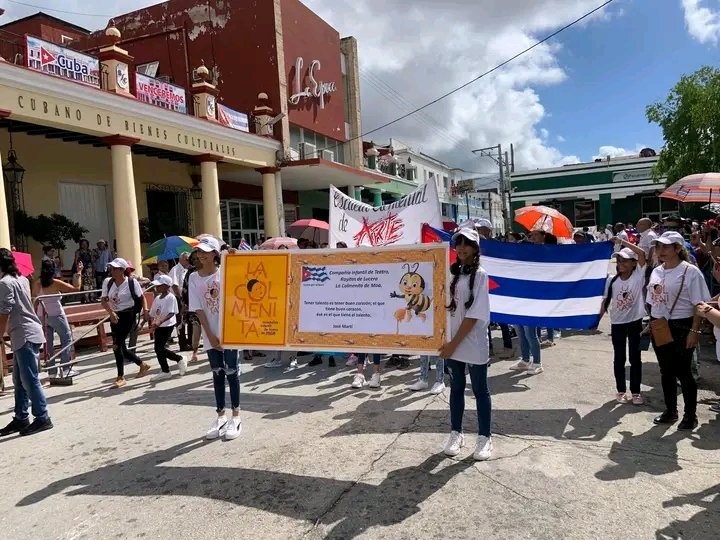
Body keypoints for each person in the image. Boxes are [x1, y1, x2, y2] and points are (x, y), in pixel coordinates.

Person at [438, 226, 493, 461]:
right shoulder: (451, 273)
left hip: (472, 341)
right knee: (457, 387)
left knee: (480, 390)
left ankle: (485, 437)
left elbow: (473, 316)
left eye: (466, 243)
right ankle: (456, 432)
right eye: (458, 242)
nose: (461, 247)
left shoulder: (480, 275)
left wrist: (452, 345)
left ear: (475, 248)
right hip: (452, 341)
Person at [647, 231, 709, 430]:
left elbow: (700, 305)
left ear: (677, 248)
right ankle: (670, 410)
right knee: (666, 371)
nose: (661, 250)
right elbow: (652, 300)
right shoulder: (657, 270)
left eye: (666, 246)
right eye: (658, 246)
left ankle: (690, 415)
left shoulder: (690, 271)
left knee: (684, 372)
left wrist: (695, 331)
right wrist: (651, 321)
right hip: (660, 325)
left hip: (682, 325)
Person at [189, 236, 242, 441]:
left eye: (205, 251)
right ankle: (220, 416)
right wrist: (211, 335)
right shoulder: (194, 277)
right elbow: (198, 309)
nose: (200, 254)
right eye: (199, 251)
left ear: (215, 254)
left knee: (232, 372)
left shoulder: (226, 271)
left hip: (230, 332)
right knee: (217, 374)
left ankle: (236, 416)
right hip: (210, 334)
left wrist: (237, 258)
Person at [0, 248, 53, 436]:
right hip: (25, 332)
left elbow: (4, 311)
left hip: (23, 334)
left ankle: (42, 417)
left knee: (29, 379)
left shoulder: (5, 283)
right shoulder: (22, 279)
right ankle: (21, 417)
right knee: (19, 379)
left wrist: (0, 334)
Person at [600, 241, 647, 404]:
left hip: (635, 322)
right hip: (618, 324)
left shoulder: (639, 276)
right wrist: (595, 321)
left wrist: (622, 242)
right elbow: (605, 302)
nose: (621, 264)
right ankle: (621, 391)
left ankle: (636, 392)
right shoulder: (612, 281)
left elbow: (641, 253)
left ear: (634, 263)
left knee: (635, 358)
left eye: (625, 261)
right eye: (619, 261)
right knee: (619, 358)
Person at [101, 258, 151, 388]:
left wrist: (145, 310)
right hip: (114, 315)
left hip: (128, 315)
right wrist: (111, 313)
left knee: (117, 345)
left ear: (122, 270)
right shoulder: (108, 282)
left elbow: (141, 298)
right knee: (121, 346)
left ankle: (120, 376)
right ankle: (142, 364)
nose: (112, 271)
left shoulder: (131, 282)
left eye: (116, 268)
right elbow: (103, 300)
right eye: (111, 268)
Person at [32, 260, 83, 378]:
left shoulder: (36, 283)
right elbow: (76, 288)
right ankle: (65, 368)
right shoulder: (55, 282)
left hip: (42, 315)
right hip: (56, 313)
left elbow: (35, 299)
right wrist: (79, 272)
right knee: (66, 338)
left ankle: (52, 371)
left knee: (48, 343)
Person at [149, 275, 186, 380]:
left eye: (159, 286)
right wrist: (144, 320)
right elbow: (153, 312)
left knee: (159, 348)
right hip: (158, 325)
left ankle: (177, 360)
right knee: (158, 348)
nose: (157, 287)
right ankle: (167, 368)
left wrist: (160, 321)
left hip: (167, 325)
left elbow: (171, 313)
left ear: (166, 286)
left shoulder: (171, 297)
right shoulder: (157, 298)